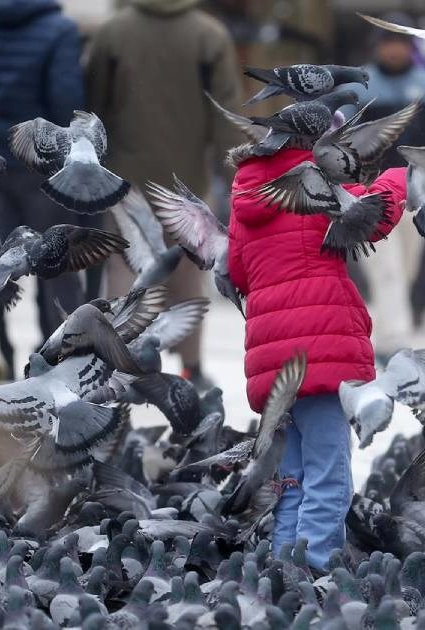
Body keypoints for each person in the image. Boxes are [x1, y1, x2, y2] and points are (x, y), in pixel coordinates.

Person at [228, 143, 408, 570]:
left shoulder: (246, 192)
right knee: (328, 472)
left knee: (290, 480)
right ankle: (316, 566)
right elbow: (372, 216)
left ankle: (282, 570)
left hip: (271, 360)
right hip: (322, 351)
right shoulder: (319, 178)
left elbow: (236, 271)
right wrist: (402, 177)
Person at [86, 0, 243, 389]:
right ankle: (191, 365)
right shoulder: (210, 35)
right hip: (186, 179)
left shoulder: (112, 33)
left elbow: (93, 106)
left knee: (125, 267)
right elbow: (226, 116)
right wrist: (237, 177)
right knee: (189, 269)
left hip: (125, 177)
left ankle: (118, 361)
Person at [0, 0, 86, 379]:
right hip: (44, 168)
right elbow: (66, 100)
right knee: (54, 261)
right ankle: (59, 349)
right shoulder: (60, 31)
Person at [349, 15, 425, 351]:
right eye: (387, 43)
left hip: (416, 194)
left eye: (400, 43)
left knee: (407, 268)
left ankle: (386, 328)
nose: (393, 50)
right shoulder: (359, 87)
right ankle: (394, 342)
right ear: (378, 47)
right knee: (387, 268)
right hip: (371, 194)